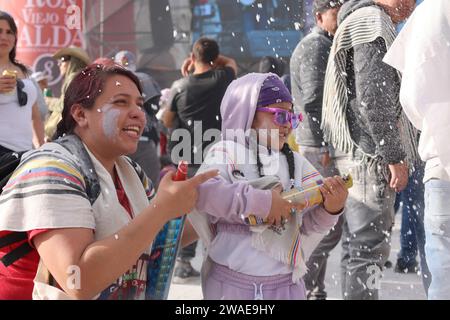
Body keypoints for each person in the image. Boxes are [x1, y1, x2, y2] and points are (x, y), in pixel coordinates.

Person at [0, 63, 218, 300]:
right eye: (121, 102)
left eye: (139, 104)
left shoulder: (129, 170)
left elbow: (154, 238)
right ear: (80, 114)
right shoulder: (51, 169)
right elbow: (79, 280)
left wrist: (220, 206)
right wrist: (162, 208)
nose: (137, 113)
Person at [188, 73, 348, 300]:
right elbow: (204, 192)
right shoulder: (227, 153)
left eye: (293, 119)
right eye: (281, 117)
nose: (288, 127)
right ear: (248, 113)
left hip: (286, 288)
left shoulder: (296, 164)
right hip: (231, 288)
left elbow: (306, 227)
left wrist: (330, 210)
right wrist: (261, 204)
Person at [321, 0, 418, 299]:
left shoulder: (359, 18)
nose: (411, 5)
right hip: (369, 155)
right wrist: (394, 155)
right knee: (369, 249)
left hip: (357, 152)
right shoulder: (372, 22)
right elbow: (373, 96)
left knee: (357, 248)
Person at [383, 0, 450, 300]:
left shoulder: (429, 13)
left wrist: (436, 122)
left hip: (439, 158)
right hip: (437, 161)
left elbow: (410, 97)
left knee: (443, 271)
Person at [163, 37, 237, 283]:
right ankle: (215, 258)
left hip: (187, 157)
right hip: (217, 156)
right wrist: (213, 61)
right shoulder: (223, 77)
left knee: (186, 209)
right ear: (215, 59)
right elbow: (231, 63)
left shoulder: (180, 86)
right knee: (215, 208)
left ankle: (183, 261)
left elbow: (167, 119)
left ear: (192, 58)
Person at [290, 0, 346, 300]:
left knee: (324, 222)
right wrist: (325, 143)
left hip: (316, 143)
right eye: (335, 14)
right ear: (319, 16)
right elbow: (313, 101)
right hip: (318, 145)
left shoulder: (322, 43)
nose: (340, 19)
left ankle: (312, 287)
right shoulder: (317, 47)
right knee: (325, 222)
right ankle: (304, 284)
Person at [114, 50, 162, 187]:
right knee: (149, 196)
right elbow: (154, 108)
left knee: (120, 196)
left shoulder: (110, 82)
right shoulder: (145, 79)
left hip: (117, 144)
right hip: (144, 142)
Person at [0, 11, 44, 157]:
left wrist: (41, 147)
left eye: (9, 32)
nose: (4, 37)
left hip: (26, 152)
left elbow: (35, 115)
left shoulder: (25, 70)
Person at [45, 46, 90, 141]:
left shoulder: (73, 78)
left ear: (73, 62)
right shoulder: (81, 78)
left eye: (63, 59)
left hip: (67, 134)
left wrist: (47, 101)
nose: (59, 64)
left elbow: (65, 105)